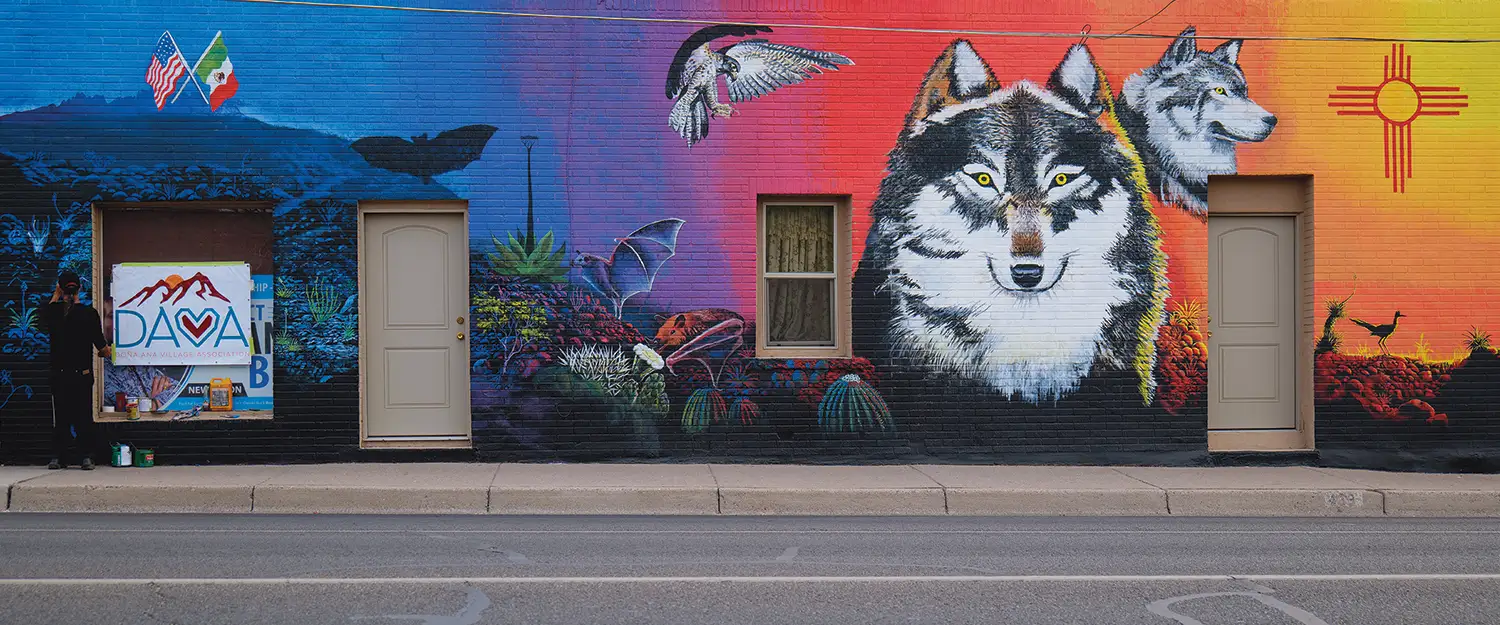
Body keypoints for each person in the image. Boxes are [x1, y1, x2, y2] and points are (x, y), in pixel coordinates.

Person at [40, 270, 109, 470]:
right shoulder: (89, 314)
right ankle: (86, 457)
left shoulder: (52, 313)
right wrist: (104, 352)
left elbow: (47, 315)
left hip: (59, 375)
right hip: (82, 375)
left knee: (61, 417)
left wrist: (56, 295)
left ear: (60, 288)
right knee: (83, 416)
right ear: (79, 288)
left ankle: (58, 458)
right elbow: (102, 349)